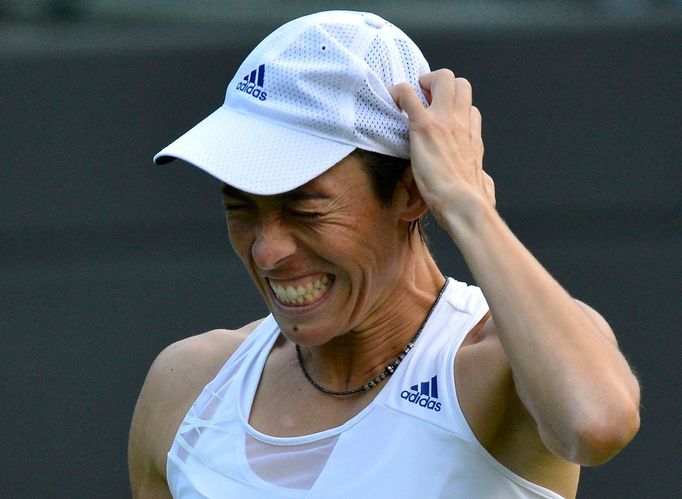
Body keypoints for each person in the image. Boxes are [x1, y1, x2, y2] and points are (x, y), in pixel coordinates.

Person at [128, 10, 640, 499]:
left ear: (413, 193)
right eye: (241, 209)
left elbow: (596, 424)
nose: (268, 251)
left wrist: (468, 202)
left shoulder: (495, 362)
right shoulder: (187, 385)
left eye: (306, 209)